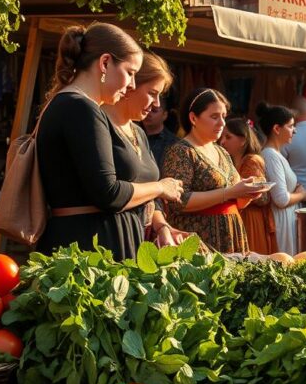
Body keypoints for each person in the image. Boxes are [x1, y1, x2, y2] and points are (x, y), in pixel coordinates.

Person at [35, 23, 183, 259]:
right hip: (86, 249)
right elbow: (108, 193)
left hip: (89, 244)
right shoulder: (81, 107)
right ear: (105, 63)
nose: (132, 85)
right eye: (130, 72)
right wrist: (161, 187)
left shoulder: (73, 104)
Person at [102, 51, 191, 247]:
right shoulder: (101, 124)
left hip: (136, 239)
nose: (156, 104)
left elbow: (147, 192)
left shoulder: (138, 132)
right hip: (106, 237)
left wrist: (162, 227)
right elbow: (109, 192)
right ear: (130, 85)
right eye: (152, 93)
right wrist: (161, 187)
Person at [162, 89, 264, 253]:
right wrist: (229, 192)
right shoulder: (181, 151)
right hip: (200, 238)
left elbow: (236, 199)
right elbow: (179, 201)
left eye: (224, 116)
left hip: (231, 233)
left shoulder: (222, 152)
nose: (222, 123)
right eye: (214, 117)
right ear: (193, 118)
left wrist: (248, 193)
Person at [221, 117, 278, 254]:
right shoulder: (232, 161)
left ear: (243, 140)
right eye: (222, 137)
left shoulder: (251, 160)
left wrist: (240, 191)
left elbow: (263, 197)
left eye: (228, 137)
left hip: (251, 219)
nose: (222, 142)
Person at [258, 103, 306, 254]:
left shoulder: (276, 155)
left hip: (286, 221)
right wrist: (302, 194)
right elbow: (280, 199)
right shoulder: (270, 156)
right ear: (276, 129)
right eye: (291, 126)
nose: (294, 131)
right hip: (281, 223)